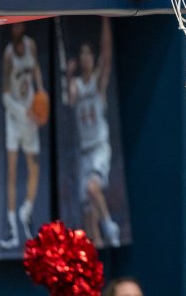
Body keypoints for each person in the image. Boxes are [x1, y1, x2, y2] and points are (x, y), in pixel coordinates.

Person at [66, 17, 120, 248]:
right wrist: (68, 75)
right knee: (88, 216)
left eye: (89, 53)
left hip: (99, 147)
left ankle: (110, 225)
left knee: (92, 187)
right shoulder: (77, 84)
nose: (86, 57)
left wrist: (105, 18)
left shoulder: (98, 83)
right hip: (84, 151)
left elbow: (106, 55)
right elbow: (70, 99)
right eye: (83, 54)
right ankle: (97, 242)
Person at [0, 23, 47, 249]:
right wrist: (23, 112)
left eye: (20, 24)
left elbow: (36, 67)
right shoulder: (8, 55)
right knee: (12, 170)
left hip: (30, 116)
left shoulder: (32, 46)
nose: (18, 27)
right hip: (15, 117)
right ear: (11, 29)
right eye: (15, 26)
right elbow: (5, 96)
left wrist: (41, 90)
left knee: (34, 168)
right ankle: (11, 227)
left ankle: (25, 212)